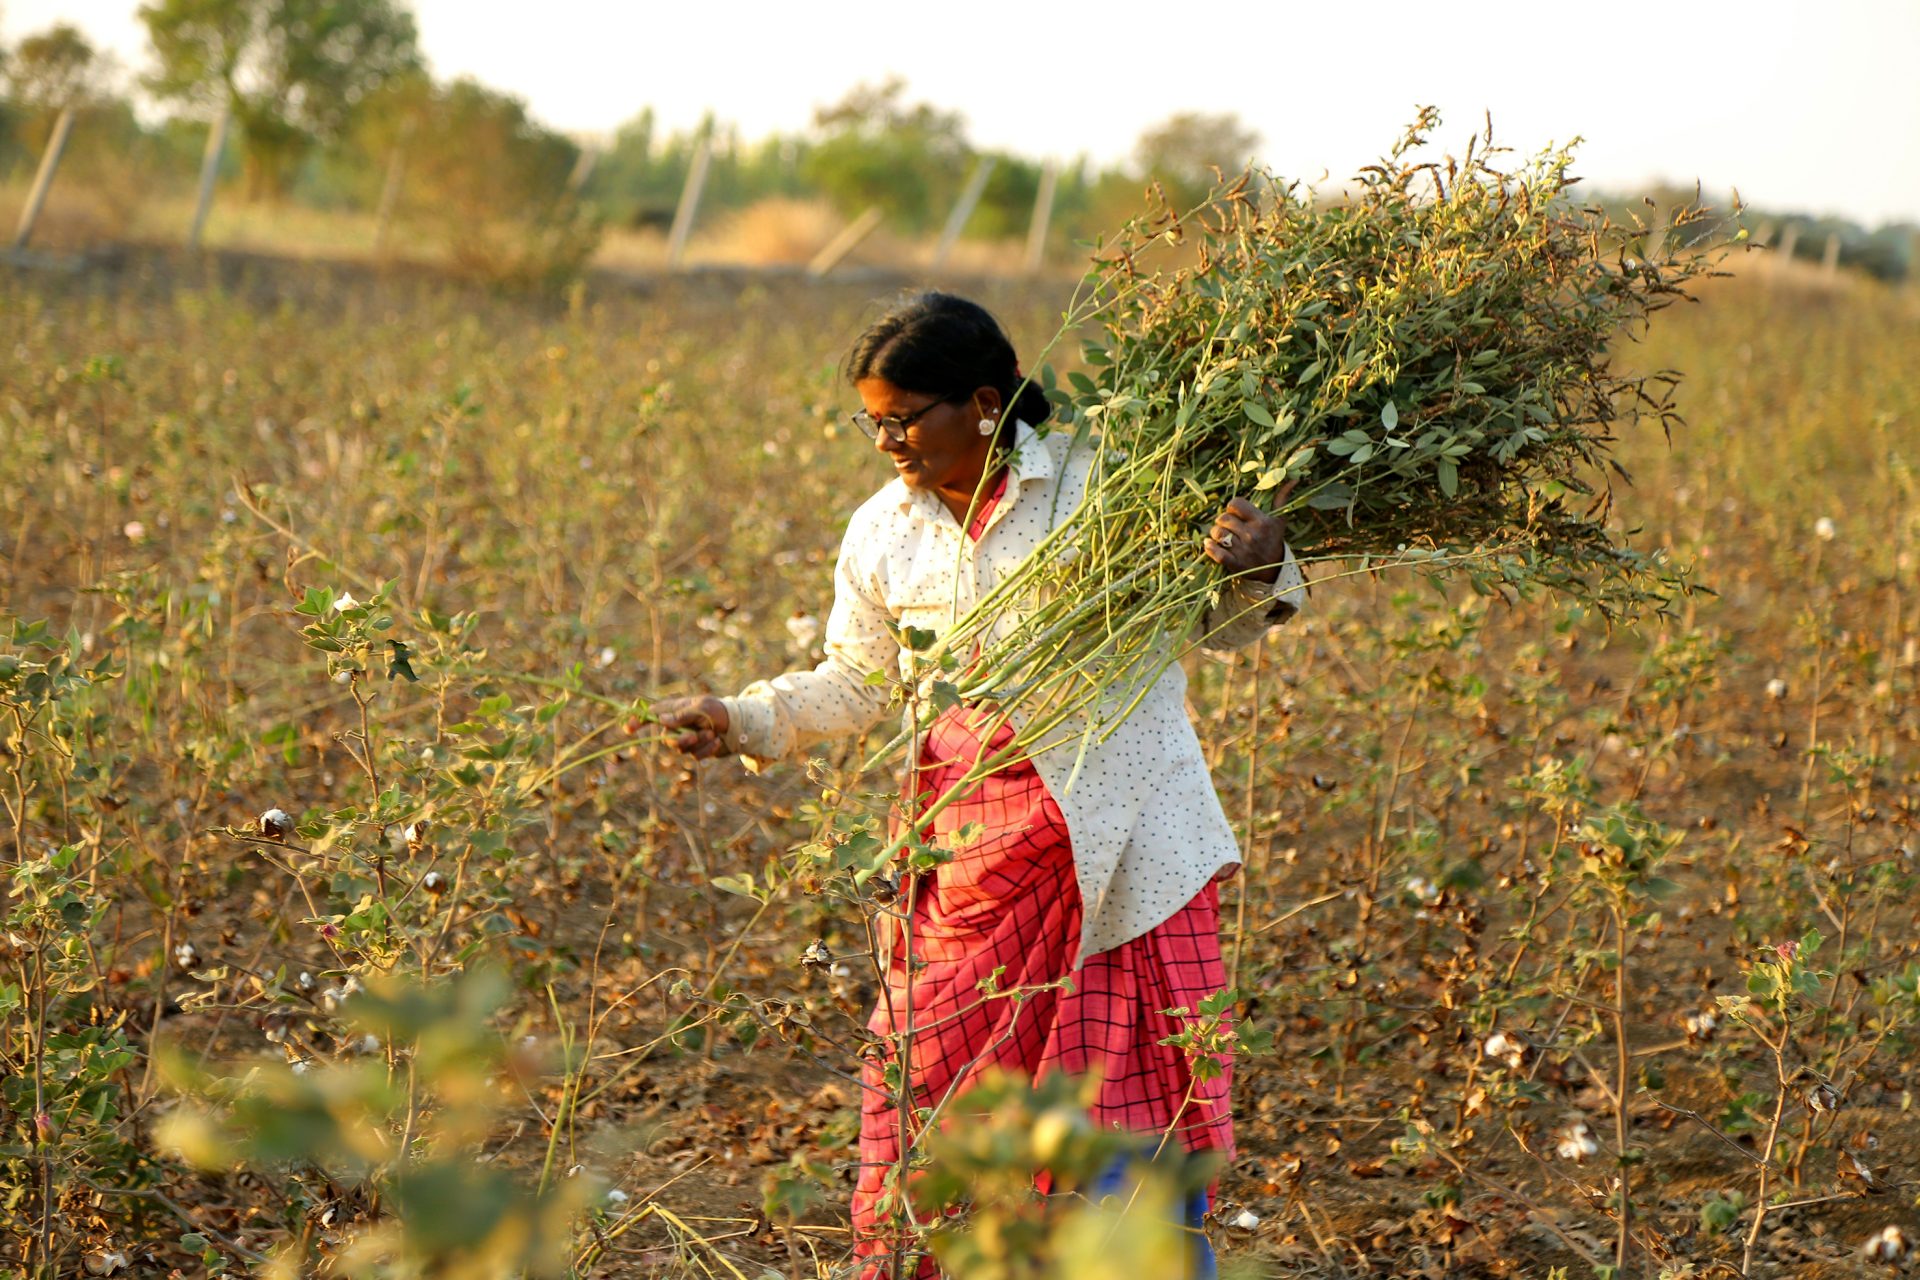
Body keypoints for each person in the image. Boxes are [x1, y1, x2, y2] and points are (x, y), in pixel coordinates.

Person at [655, 292, 1304, 1278]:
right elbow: (862, 676)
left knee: (1127, 1125)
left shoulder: (1111, 491)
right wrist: (742, 716)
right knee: (937, 1110)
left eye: (906, 415)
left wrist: (1264, 567)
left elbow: (1214, 623)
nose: (887, 441)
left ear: (987, 402)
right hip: (962, 864)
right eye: (874, 420)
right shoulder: (884, 531)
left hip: (1125, 852)